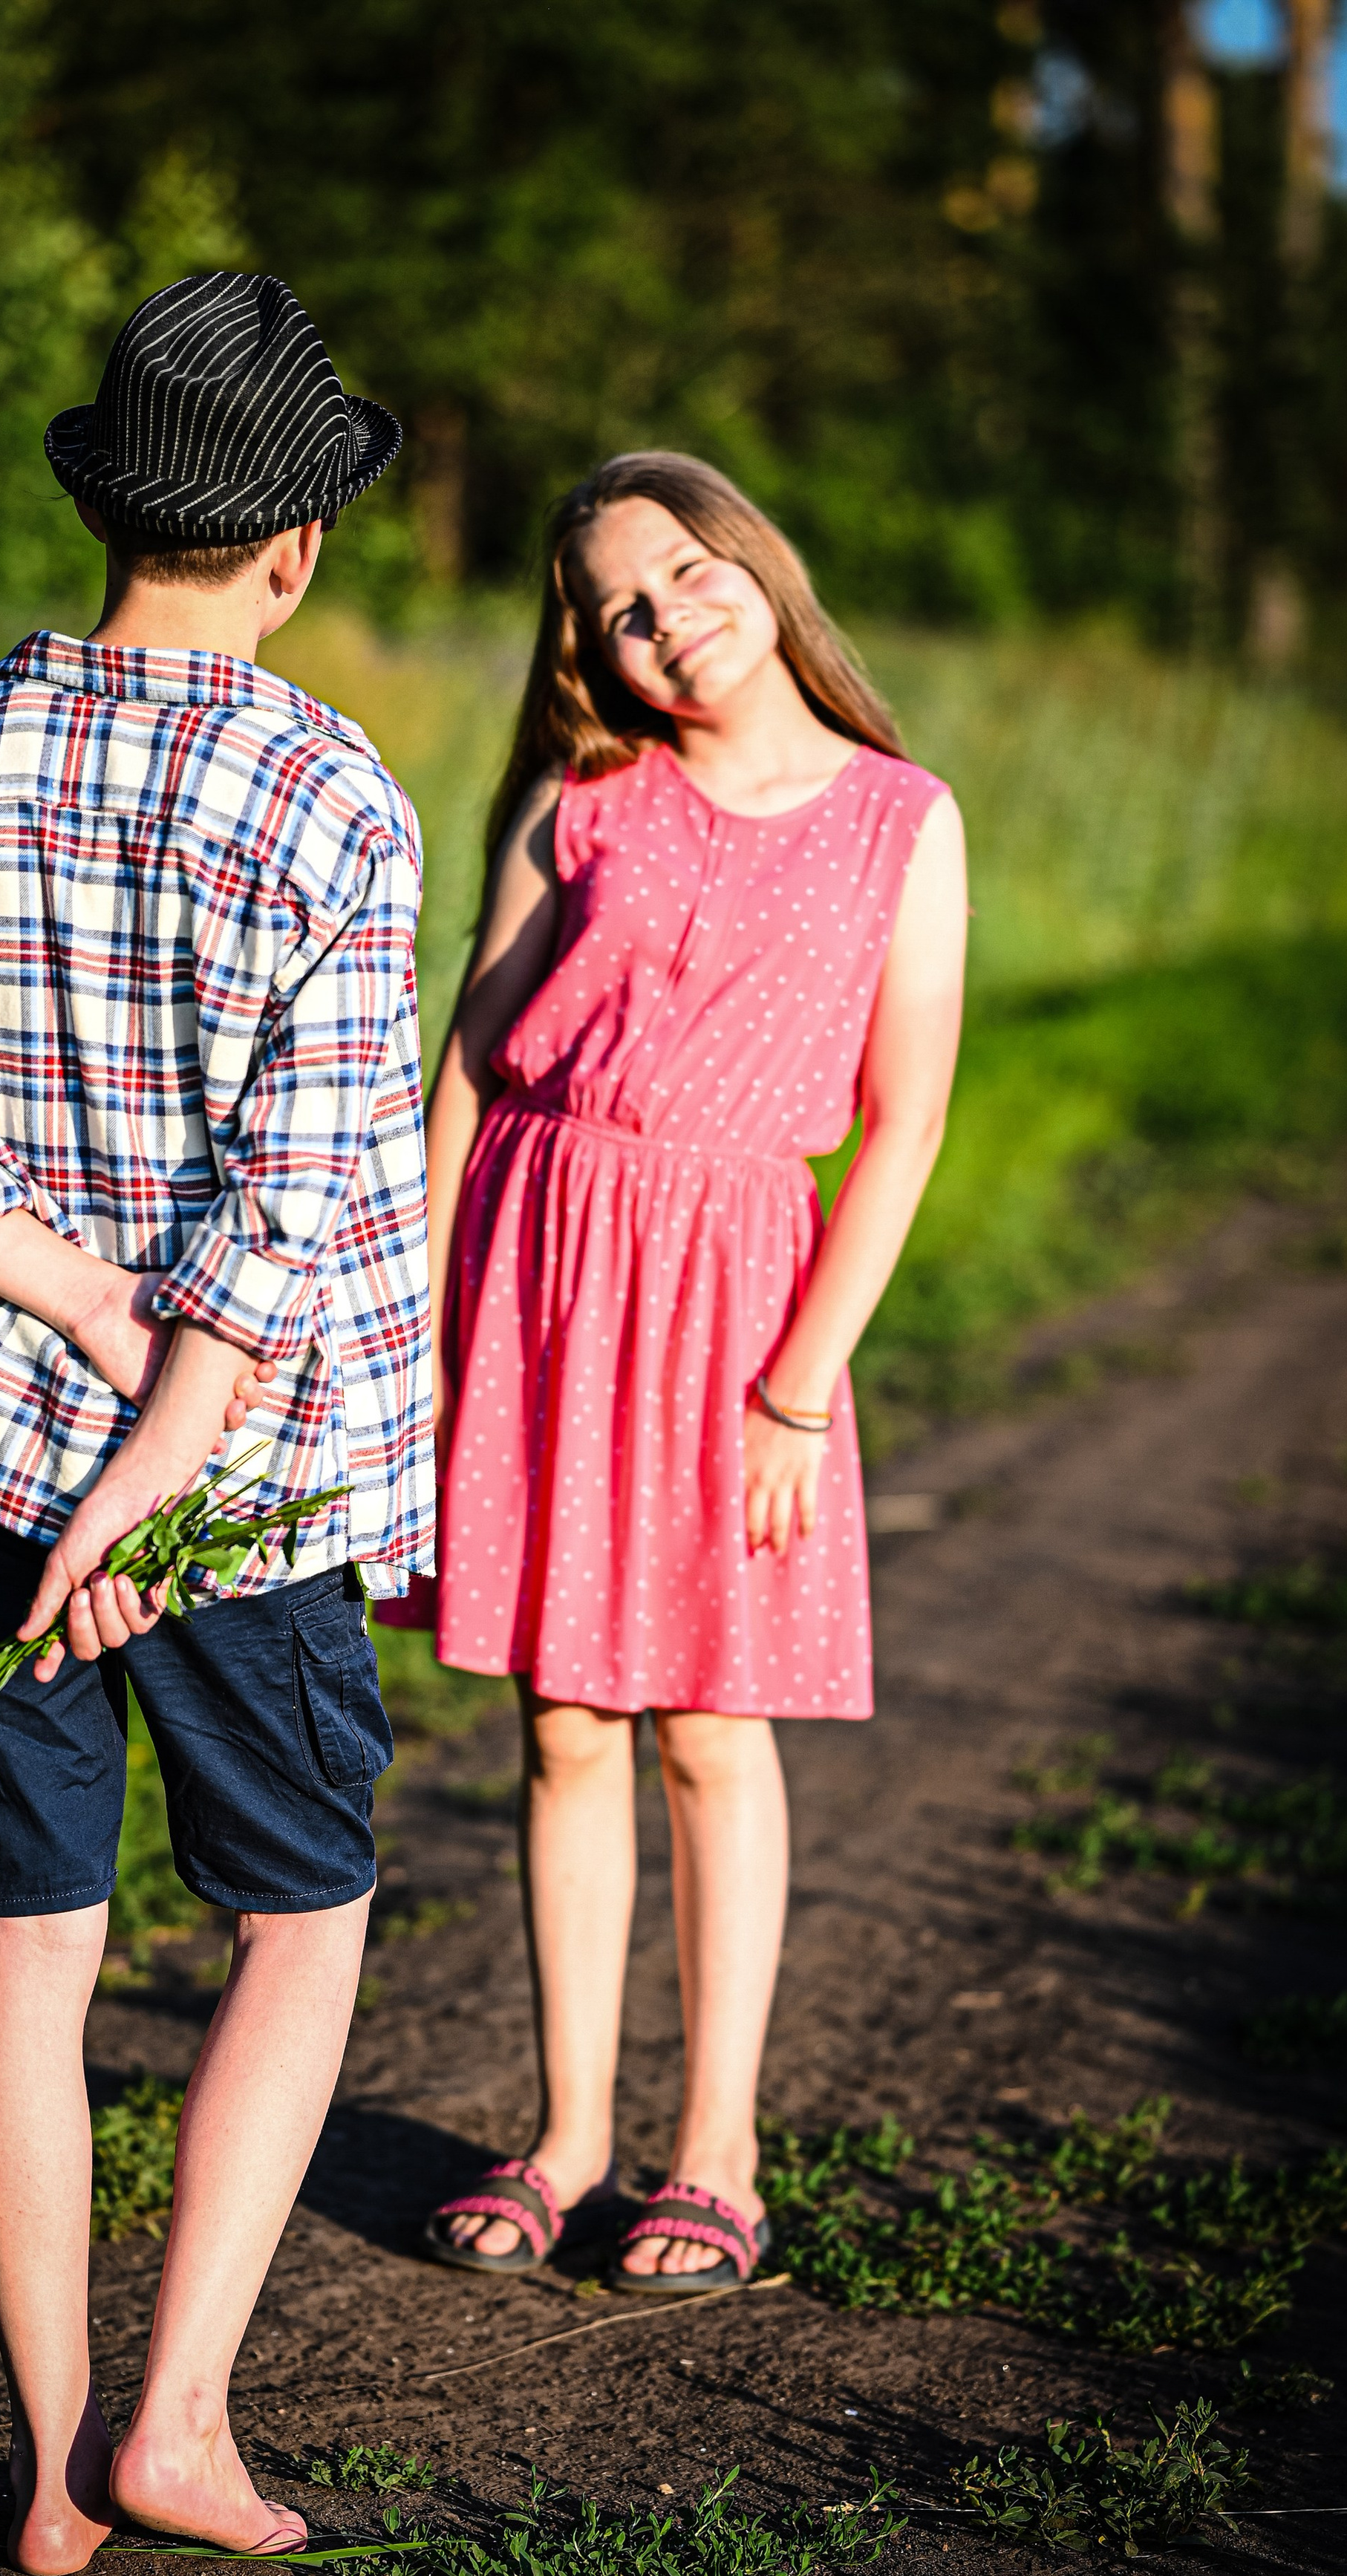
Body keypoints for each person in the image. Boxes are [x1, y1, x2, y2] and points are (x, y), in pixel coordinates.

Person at [0, 274, 431, 2570]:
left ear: (107, 515)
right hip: (229, 1491)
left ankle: (48, 2465)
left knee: (31, 1941)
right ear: (294, 551)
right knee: (300, 1913)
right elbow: (289, 1209)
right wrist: (149, 1464)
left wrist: (44, 1284)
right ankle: (179, 2420)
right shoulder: (328, 794)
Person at [405, 452, 966, 2292]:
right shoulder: (584, 793)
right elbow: (472, 1065)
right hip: (539, 1265)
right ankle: (568, 2134)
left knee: (711, 1731)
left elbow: (896, 1130)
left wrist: (799, 1388)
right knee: (564, 1724)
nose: (665, 621)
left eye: (685, 572)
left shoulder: (900, 817)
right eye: (618, 610)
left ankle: (712, 2152)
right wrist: (408, 1322)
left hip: (736, 1299)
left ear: (754, 558)